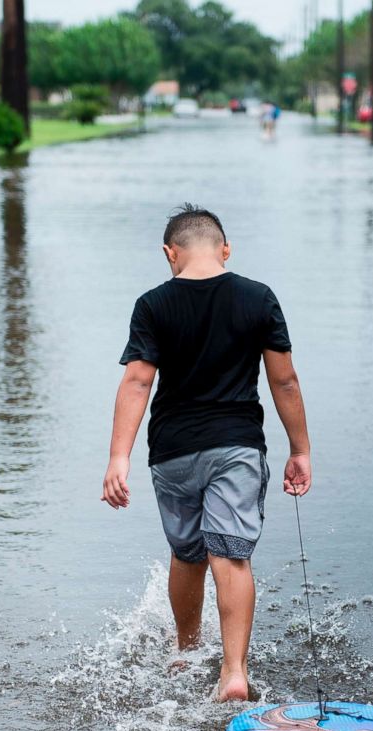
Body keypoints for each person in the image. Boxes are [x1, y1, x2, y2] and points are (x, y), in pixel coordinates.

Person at [101, 204, 312, 702]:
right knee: (231, 556)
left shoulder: (153, 304)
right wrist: (299, 449)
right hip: (236, 446)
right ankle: (233, 672)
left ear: (170, 254)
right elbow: (284, 379)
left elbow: (137, 381)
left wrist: (117, 458)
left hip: (172, 452)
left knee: (187, 553)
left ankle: (186, 650)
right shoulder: (258, 298)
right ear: (225, 249)